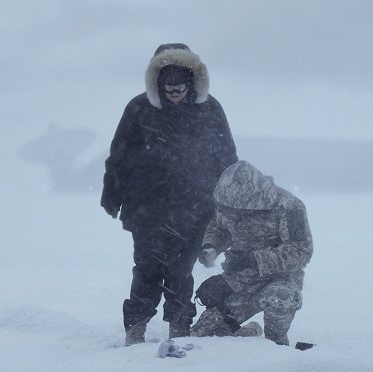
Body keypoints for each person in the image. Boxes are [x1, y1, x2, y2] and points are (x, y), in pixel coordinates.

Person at [100, 43, 238, 345]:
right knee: (148, 267)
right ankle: (135, 327)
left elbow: (227, 158)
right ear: (157, 82)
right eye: (167, 86)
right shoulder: (138, 108)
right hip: (147, 207)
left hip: (195, 206)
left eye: (179, 87)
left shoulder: (210, 108)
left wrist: (229, 201)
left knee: (181, 269)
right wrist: (112, 194)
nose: (174, 92)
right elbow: (119, 155)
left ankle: (179, 326)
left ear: (192, 80)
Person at [191, 160, 313, 346]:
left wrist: (253, 260)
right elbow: (219, 227)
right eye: (227, 209)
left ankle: (277, 345)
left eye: (235, 211)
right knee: (203, 335)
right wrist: (211, 246)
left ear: (249, 200)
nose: (231, 213)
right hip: (243, 279)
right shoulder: (229, 201)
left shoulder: (288, 206)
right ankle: (247, 333)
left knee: (277, 297)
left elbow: (301, 251)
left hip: (281, 278)